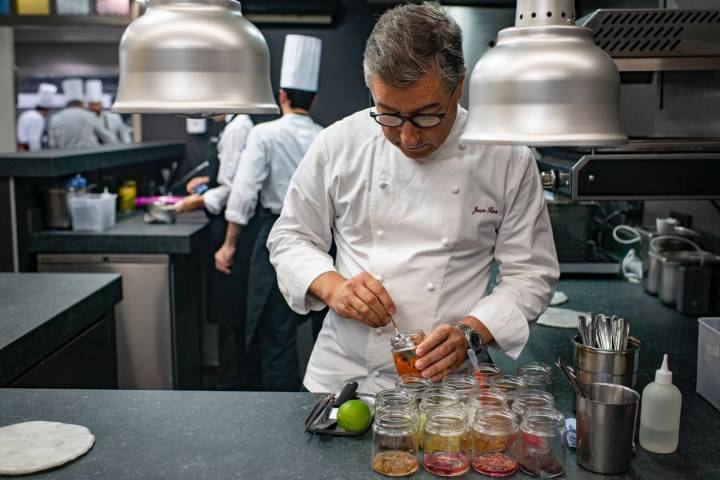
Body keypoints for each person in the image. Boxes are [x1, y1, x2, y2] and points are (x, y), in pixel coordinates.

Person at [267, 3, 560, 393]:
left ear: (459, 86)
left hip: (449, 387)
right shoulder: (338, 143)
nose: (408, 137)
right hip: (346, 377)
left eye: (426, 116)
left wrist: (471, 333)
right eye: (388, 115)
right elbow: (290, 238)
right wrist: (332, 286)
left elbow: (531, 274)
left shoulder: (507, 157)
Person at [214, 34, 324, 391]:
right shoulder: (326, 135)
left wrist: (228, 245)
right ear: (314, 99)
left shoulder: (265, 134)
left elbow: (244, 193)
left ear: (281, 96)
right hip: (325, 241)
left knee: (276, 333)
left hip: (278, 236)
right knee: (321, 332)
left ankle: (279, 417)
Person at [175, 113, 258, 390]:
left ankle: (234, 386)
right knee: (229, 312)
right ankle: (234, 381)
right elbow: (228, 174)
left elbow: (234, 187)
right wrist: (204, 179)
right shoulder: (232, 126)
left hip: (230, 226)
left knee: (231, 313)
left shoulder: (237, 127)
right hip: (226, 224)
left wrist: (198, 200)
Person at [48, 78, 114, 149]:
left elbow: (52, 144)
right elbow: (108, 138)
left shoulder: (55, 118)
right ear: (82, 103)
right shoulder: (89, 115)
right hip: (87, 156)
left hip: (64, 157)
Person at [85, 79, 133, 144]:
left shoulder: (114, 117)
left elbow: (124, 134)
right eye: (92, 105)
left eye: (97, 104)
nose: (94, 108)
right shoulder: (85, 119)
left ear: (101, 104)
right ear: (88, 106)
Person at [16, 83, 56, 152]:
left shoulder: (27, 113)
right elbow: (34, 141)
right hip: (28, 151)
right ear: (46, 110)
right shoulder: (38, 118)